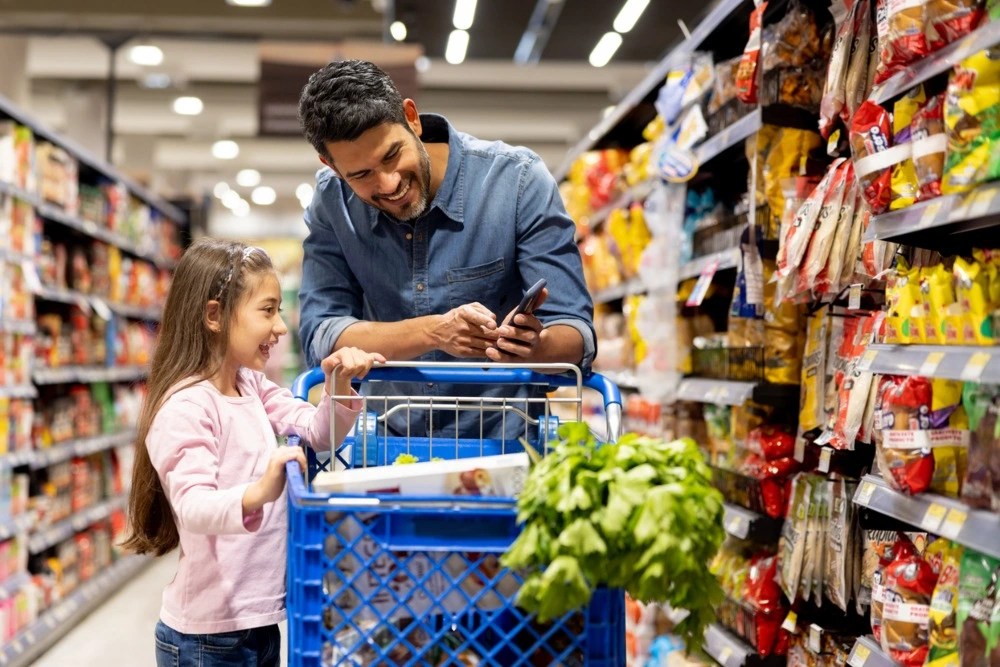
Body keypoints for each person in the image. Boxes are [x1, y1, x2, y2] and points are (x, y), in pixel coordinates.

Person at [296, 59, 595, 440]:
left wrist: (534, 346)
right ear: (331, 166)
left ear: (411, 118)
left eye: (391, 156)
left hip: (509, 444)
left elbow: (576, 332)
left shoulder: (517, 182)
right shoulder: (331, 202)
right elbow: (322, 333)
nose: (388, 184)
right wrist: (435, 332)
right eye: (361, 174)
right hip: (385, 446)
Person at [121, 238, 384, 666]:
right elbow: (193, 504)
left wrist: (338, 385)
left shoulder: (251, 385)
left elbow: (320, 434)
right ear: (214, 315)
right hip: (208, 637)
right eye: (267, 310)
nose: (281, 326)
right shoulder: (186, 406)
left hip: (258, 622)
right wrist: (259, 491)